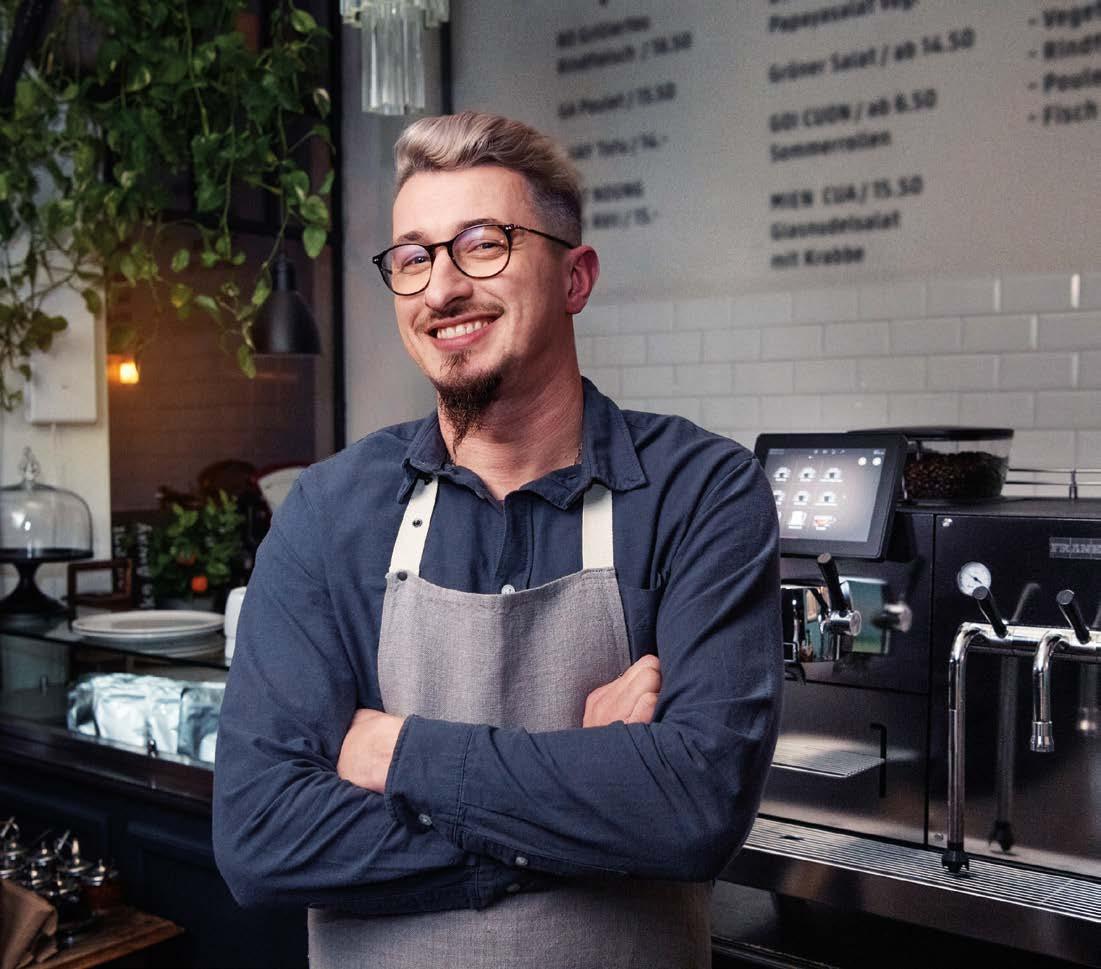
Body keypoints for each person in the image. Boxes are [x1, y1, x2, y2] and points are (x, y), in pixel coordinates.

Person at [213, 111, 782, 969]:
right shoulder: (328, 511)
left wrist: (397, 752)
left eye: (483, 244)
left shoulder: (700, 490)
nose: (441, 288)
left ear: (574, 277)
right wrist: (589, 794)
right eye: (413, 258)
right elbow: (261, 838)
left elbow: (693, 809)